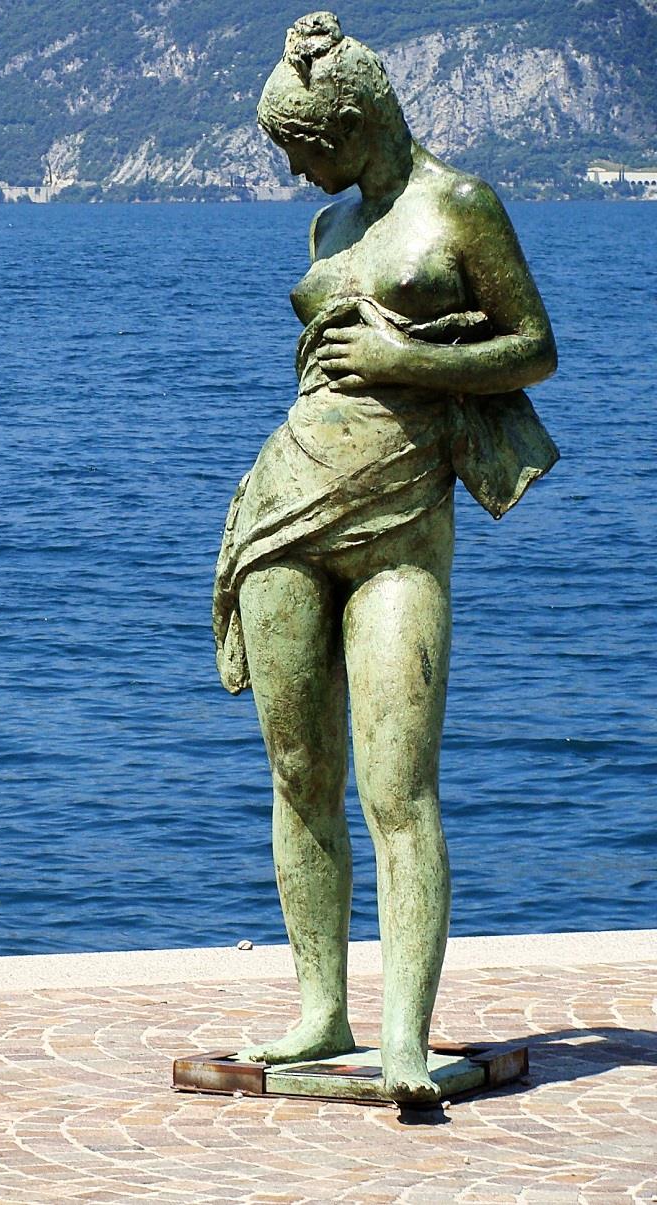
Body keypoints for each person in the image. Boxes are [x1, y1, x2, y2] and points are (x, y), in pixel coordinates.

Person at [212, 11, 558, 1104]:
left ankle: (404, 1036)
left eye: (302, 148)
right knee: (297, 772)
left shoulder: (461, 207)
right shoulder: (329, 228)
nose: (293, 172)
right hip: (287, 506)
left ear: (356, 122)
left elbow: (533, 349)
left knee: (398, 786)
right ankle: (321, 1009)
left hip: (400, 521)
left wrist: (406, 354)